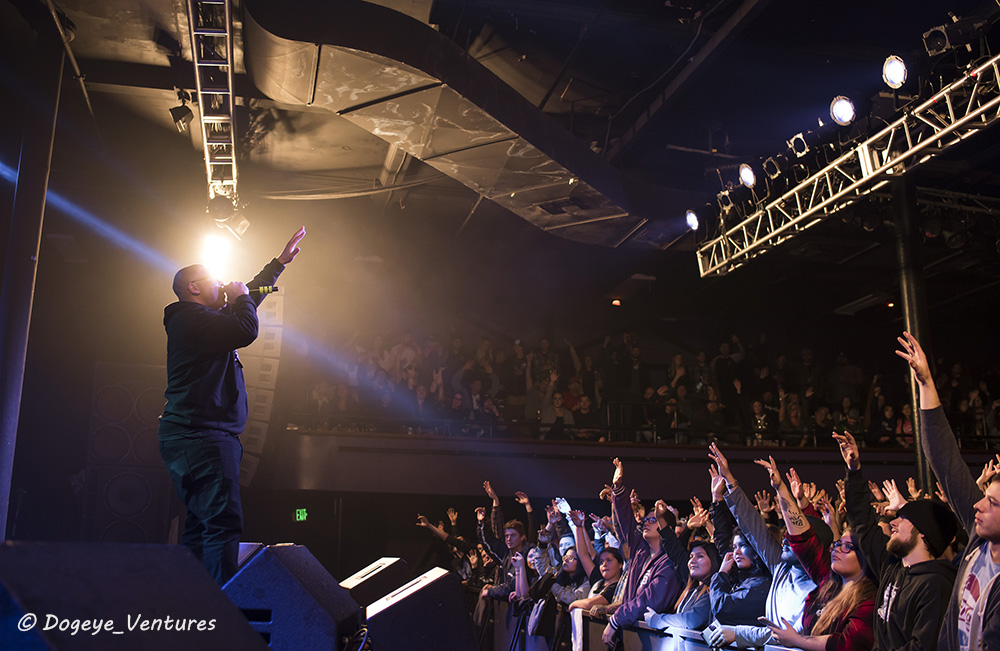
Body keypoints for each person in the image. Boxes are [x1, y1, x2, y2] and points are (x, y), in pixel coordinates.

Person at [158, 226, 306, 585]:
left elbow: (246, 303)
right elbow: (246, 329)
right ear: (193, 287)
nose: (222, 283)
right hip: (203, 437)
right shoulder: (189, 319)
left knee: (202, 525)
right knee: (223, 522)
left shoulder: (202, 321)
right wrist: (239, 297)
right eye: (214, 279)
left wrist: (277, 264)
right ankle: (219, 618)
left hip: (195, 437)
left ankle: (193, 604)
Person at [896, 332, 1000, 650]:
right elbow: (944, 459)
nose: (978, 505)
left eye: (992, 502)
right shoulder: (979, 542)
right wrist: (926, 383)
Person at [835, 424, 959, 650]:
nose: (893, 521)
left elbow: (922, 647)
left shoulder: (936, 584)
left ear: (923, 532)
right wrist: (854, 470)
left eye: (903, 519)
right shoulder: (892, 564)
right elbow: (862, 523)